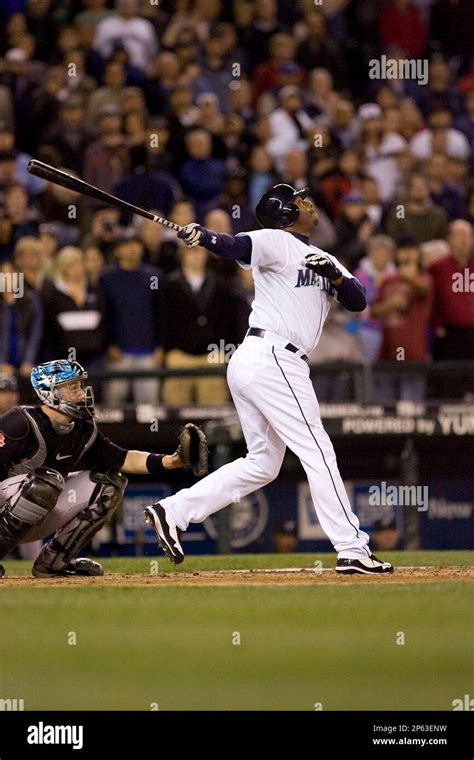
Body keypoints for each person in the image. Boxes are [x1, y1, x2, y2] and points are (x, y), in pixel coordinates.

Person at [145, 184, 393, 575]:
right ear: (284, 212)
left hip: (263, 361)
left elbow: (359, 300)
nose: (309, 203)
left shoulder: (325, 256)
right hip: (273, 355)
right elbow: (233, 245)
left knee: (263, 463)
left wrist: (338, 280)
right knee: (317, 449)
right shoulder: (276, 240)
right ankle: (352, 548)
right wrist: (205, 236)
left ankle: (173, 510)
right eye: (300, 200)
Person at [0, 359, 206, 579]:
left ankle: (54, 562)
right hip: (6, 503)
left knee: (109, 482)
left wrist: (173, 461)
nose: (80, 393)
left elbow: (123, 459)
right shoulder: (19, 421)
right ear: (49, 392)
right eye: (71, 387)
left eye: (79, 385)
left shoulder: (82, 429)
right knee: (45, 482)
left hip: (34, 511)